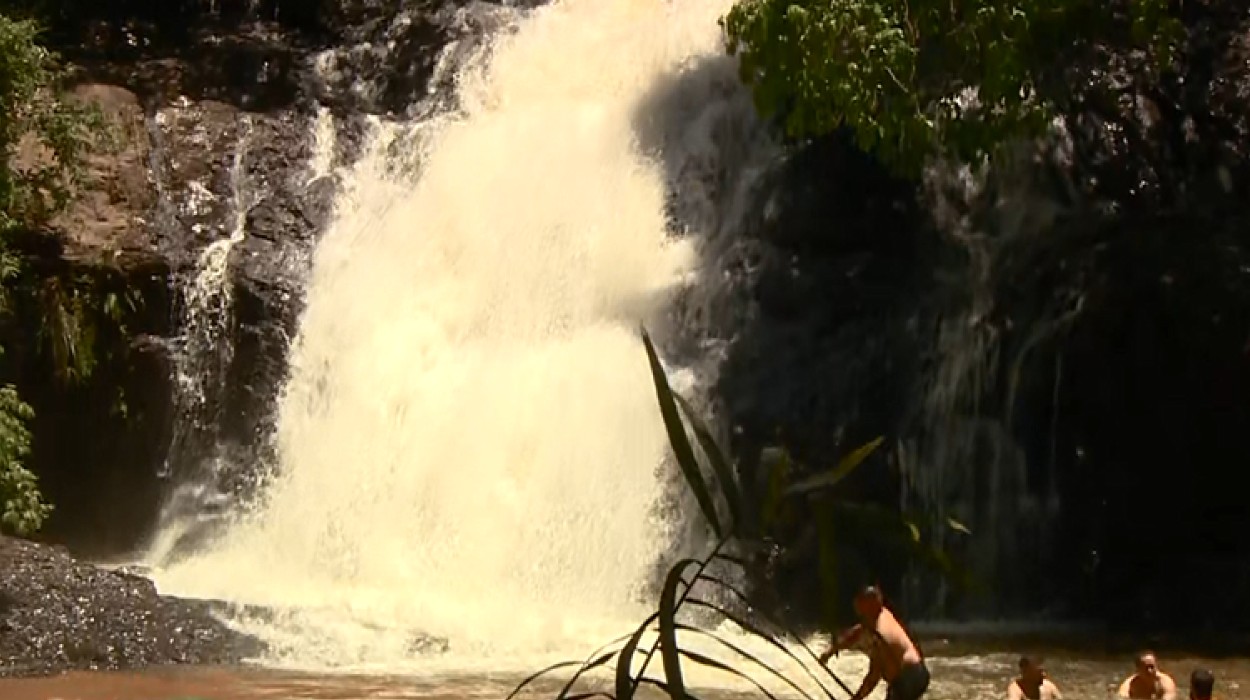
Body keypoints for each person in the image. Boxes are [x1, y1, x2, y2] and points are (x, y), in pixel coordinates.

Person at [817, 586, 930, 700]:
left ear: (868, 606)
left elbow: (874, 675)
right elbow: (858, 632)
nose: (857, 610)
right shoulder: (884, 613)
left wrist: (856, 698)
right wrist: (831, 651)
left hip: (906, 678)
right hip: (919, 673)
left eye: (860, 607)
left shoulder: (879, 634)